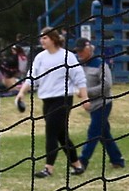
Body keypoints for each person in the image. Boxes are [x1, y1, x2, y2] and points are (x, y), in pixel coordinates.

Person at [14, 27, 89, 179]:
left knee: (51, 133)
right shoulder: (40, 57)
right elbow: (32, 77)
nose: (42, 40)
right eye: (41, 38)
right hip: (46, 99)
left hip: (63, 99)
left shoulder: (67, 56)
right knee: (61, 135)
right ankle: (77, 165)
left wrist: (85, 97)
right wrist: (22, 93)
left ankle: (48, 169)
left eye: (45, 38)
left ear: (54, 39)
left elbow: (79, 76)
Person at [73, 37, 126, 172]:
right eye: (77, 52)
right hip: (91, 105)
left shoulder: (100, 64)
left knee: (93, 132)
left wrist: (86, 93)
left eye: (81, 51)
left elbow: (107, 85)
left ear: (88, 48)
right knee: (104, 133)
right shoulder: (79, 65)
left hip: (103, 104)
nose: (79, 54)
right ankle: (117, 160)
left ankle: (83, 161)